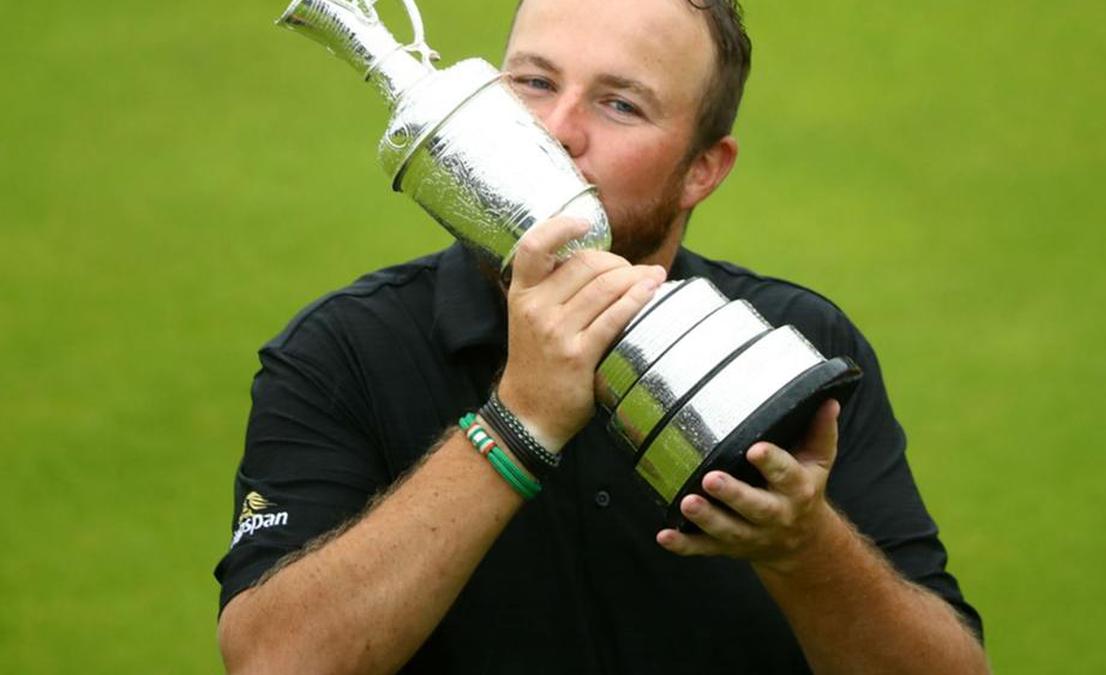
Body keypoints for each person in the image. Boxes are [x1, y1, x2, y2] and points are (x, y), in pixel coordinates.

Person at [215, 0, 988, 673]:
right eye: (534, 82)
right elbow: (275, 661)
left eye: (620, 104)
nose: (555, 129)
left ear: (702, 171)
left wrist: (804, 544)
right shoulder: (344, 352)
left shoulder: (793, 344)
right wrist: (516, 424)